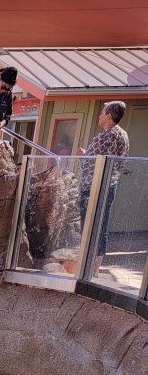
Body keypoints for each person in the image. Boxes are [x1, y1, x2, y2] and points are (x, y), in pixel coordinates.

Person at [77, 101, 130, 271]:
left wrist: (84, 156)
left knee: (88, 225)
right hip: (110, 184)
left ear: (108, 116)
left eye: (102, 113)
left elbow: (89, 166)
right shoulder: (123, 135)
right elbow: (119, 163)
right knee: (102, 225)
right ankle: (96, 268)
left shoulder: (104, 136)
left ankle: (85, 264)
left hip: (92, 187)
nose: (99, 116)